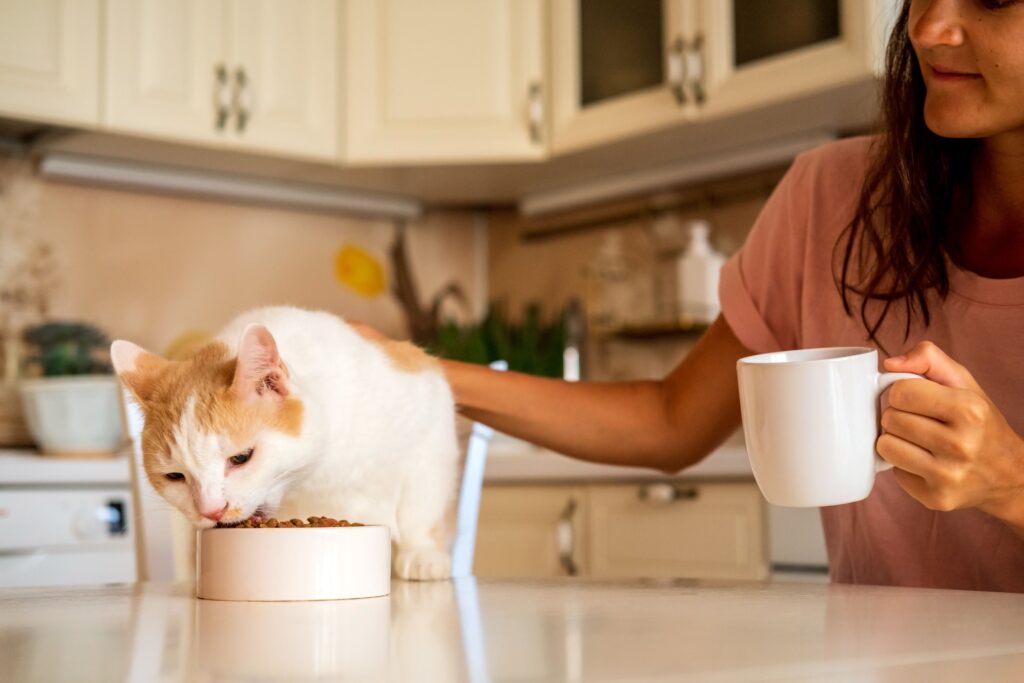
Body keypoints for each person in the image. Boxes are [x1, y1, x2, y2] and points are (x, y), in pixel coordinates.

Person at [361, 0, 1024, 592]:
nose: (930, 27)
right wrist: (410, 373)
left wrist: (1009, 478)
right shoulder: (830, 197)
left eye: (992, 0)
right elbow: (672, 418)